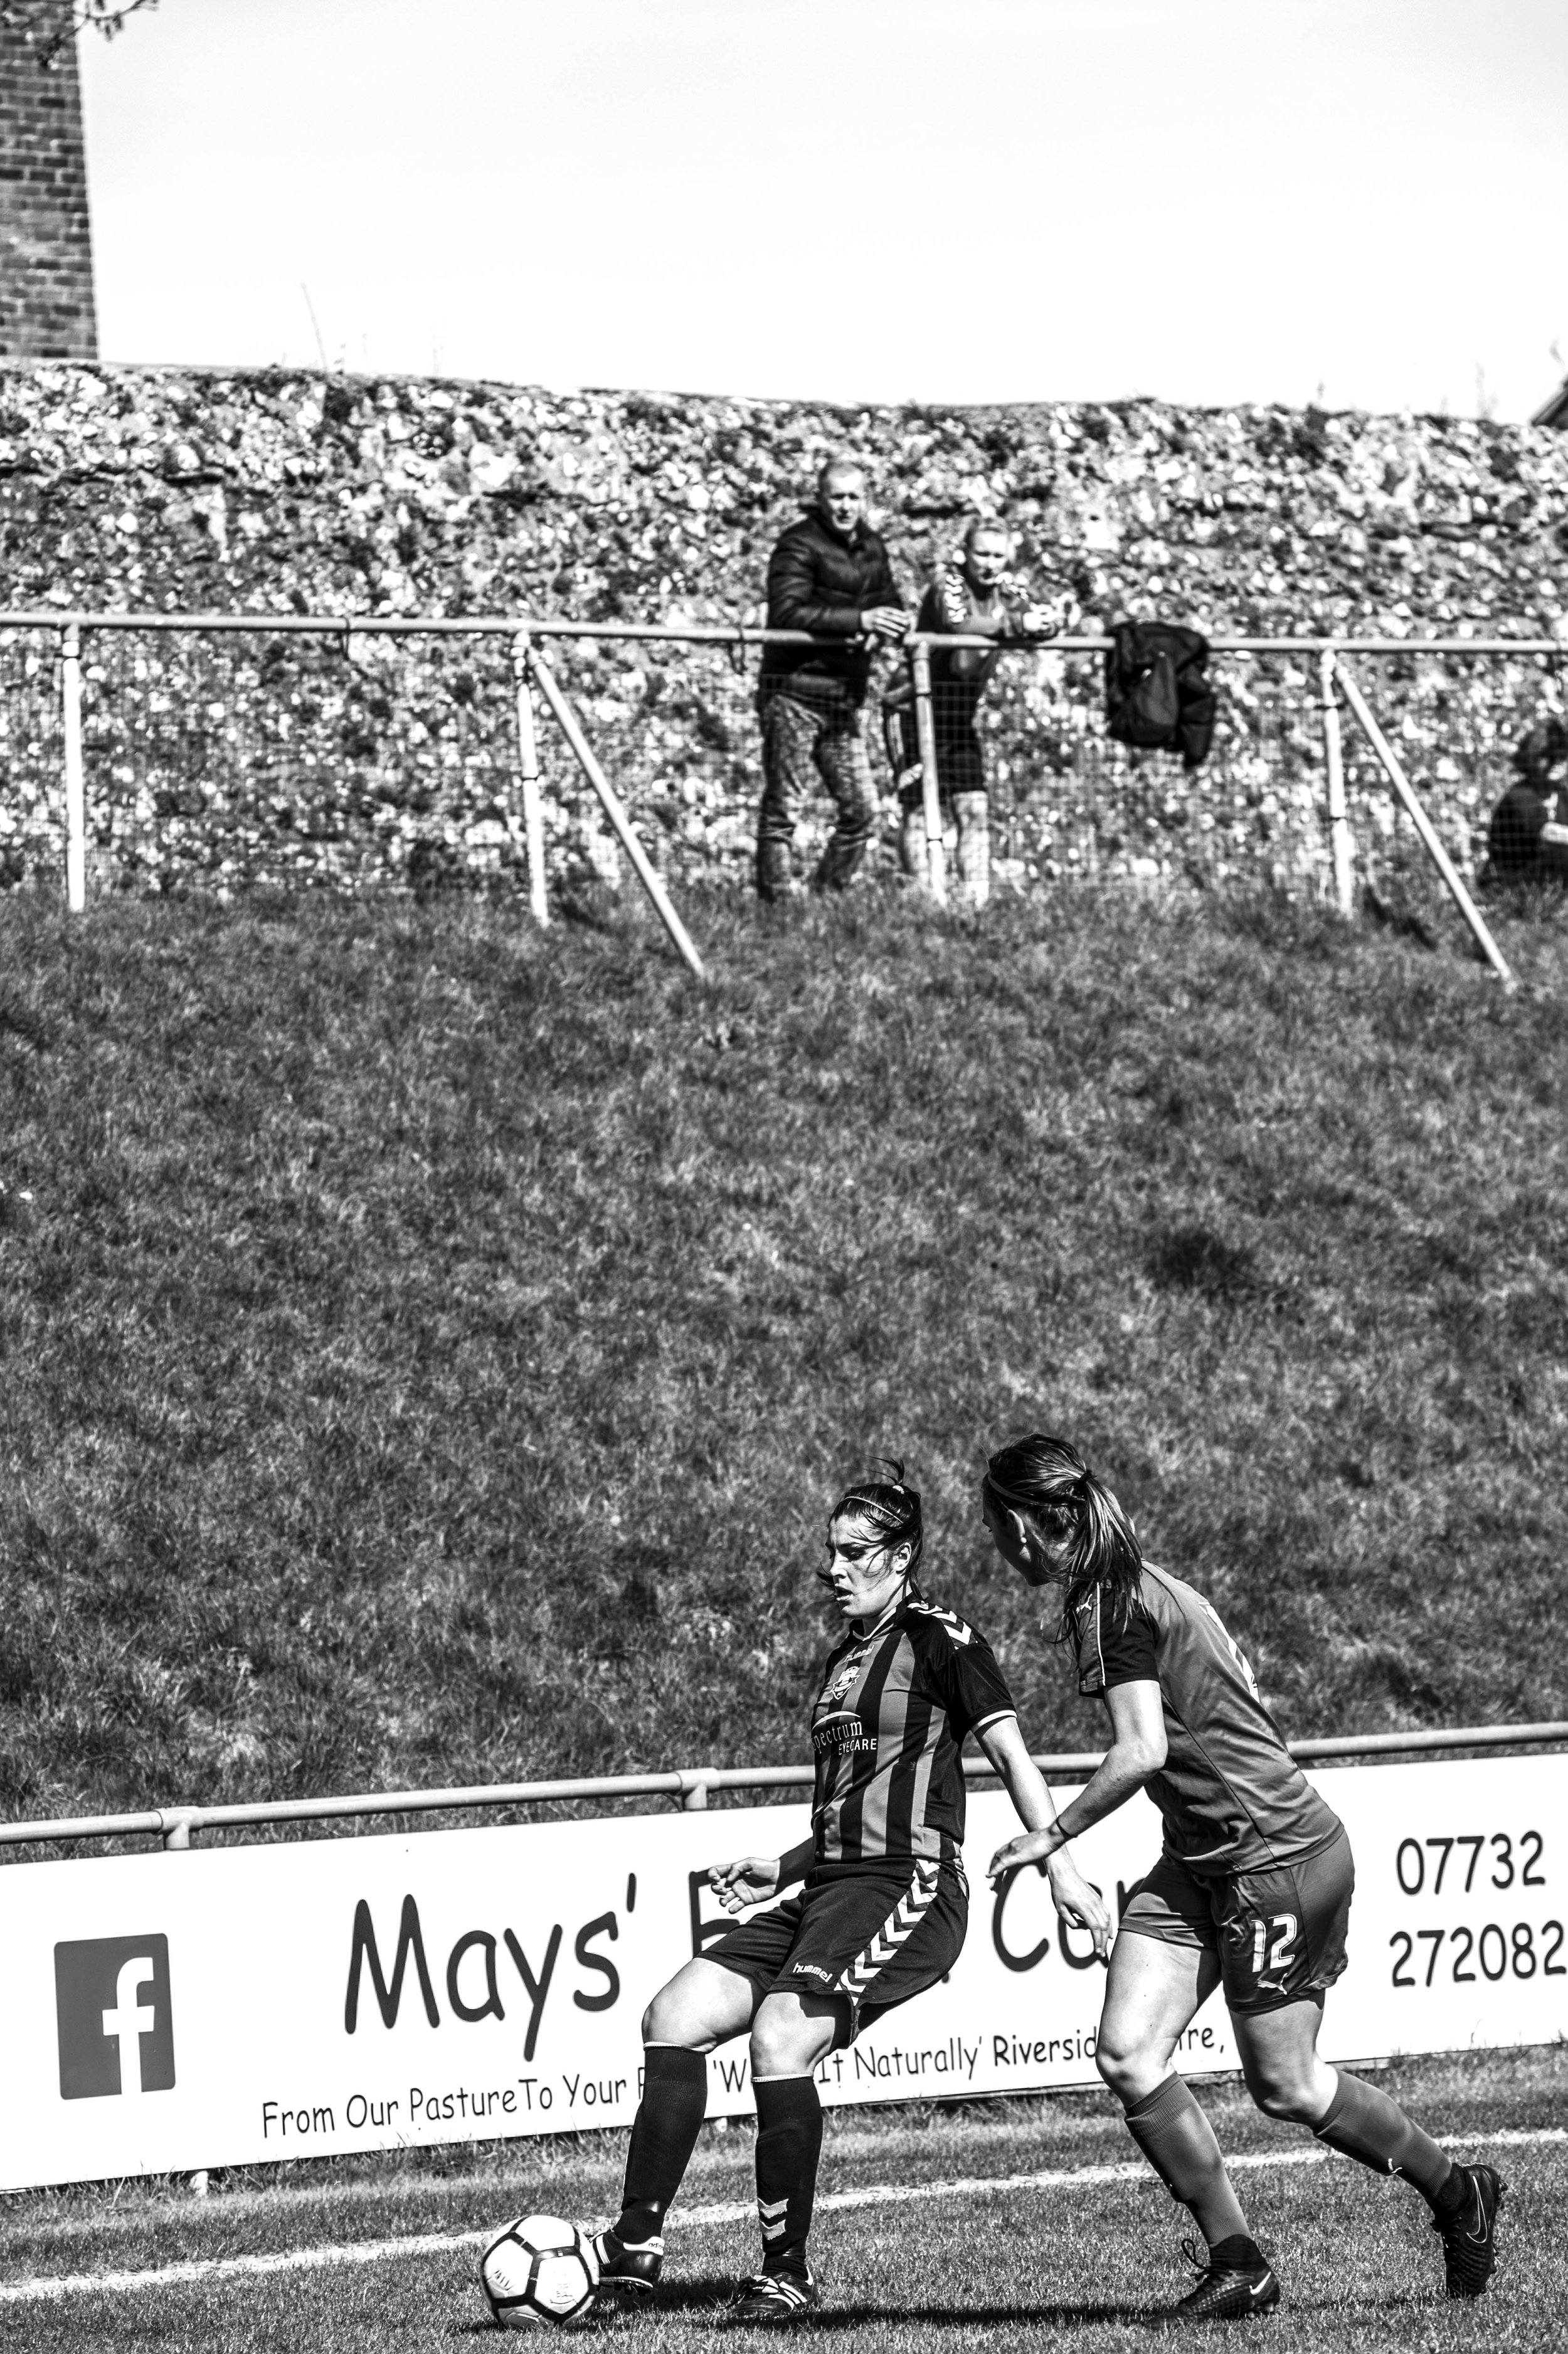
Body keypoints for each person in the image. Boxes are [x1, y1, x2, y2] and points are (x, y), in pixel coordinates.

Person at [979, 1432, 1504, 2327]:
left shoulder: (1118, 1600)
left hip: (1274, 1859)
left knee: (1288, 2087)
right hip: (1202, 1858)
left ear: (1027, 1526)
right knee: (1128, 2052)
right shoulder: (1138, 1583)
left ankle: (1462, 2194)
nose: (995, 1545)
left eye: (995, 1526)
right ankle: (1240, 2262)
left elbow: (1142, 1750)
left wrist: (1051, 1836)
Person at [586, 1463, 1110, 2320]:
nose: (834, 1569)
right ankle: (634, 2252)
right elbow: (848, 1804)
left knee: (780, 2035)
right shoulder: (842, 1663)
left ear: (900, 1557)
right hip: (826, 1887)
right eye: (830, 1552)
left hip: (908, 1885)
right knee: (672, 2014)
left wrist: (1060, 1861)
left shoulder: (944, 1639)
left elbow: (1013, 1755)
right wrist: (783, 1869)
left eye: (853, 1552)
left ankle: (785, 2271)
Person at [884, 521, 1072, 909]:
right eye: (981, 554)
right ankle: (923, 899)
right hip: (914, 710)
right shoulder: (948, 586)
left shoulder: (1008, 589)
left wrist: (1047, 622)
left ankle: (975, 902)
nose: (989, 564)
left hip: (958, 715)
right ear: (964, 554)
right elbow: (959, 623)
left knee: (974, 806)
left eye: (997, 555)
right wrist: (1018, 625)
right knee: (919, 808)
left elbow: (1040, 614)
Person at [755, 462, 907, 902]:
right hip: (794, 693)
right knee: (785, 803)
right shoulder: (798, 544)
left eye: (854, 496)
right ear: (821, 498)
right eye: (837, 496)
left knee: (863, 809)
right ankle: (777, 901)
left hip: (844, 698)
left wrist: (888, 624)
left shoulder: (872, 546)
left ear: (867, 499)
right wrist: (859, 619)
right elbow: (787, 612)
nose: (846, 506)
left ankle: (828, 894)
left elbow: (888, 600)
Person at [1486, 718, 1568, 885]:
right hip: (1513, 887)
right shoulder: (1520, 795)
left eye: (1562, 756)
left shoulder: (1562, 794)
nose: (1556, 762)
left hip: (1552, 889)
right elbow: (1549, 833)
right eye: (1548, 756)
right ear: (1531, 757)